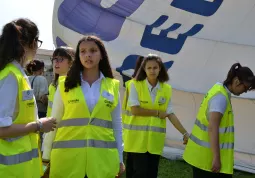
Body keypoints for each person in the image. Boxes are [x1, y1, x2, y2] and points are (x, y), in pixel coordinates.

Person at [43, 35, 125, 178]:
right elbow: (53, 122)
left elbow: (117, 125)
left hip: (102, 160)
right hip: (67, 160)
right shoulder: (65, 84)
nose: (88, 55)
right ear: (78, 56)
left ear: (101, 56)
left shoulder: (112, 86)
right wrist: (46, 156)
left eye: (93, 51)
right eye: (83, 51)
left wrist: (120, 158)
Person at [0, 18, 56, 177]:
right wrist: (38, 125)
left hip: (22, 169)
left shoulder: (17, 74)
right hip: (10, 171)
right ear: (32, 43)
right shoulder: (10, 76)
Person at [183, 63, 255, 178]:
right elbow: (212, 128)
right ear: (236, 81)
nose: (245, 92)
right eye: (245, 88)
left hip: (202, 157)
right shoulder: (221, 98)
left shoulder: (218, 89)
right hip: (207, 160)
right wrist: (216, 157)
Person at [124, 54, 189, 178]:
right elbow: (135, 110)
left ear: (160, 69)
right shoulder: (134, 85)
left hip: (155, 141)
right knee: (139, 173)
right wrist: (157, 113)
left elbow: (170, 114)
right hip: (136, 140)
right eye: (149, 68)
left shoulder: (166, 89)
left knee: (151, 174)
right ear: (144, 69)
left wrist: (184, 133)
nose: (152, 71)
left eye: (155, 67)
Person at [122, 55, 144, 177]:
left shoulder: (131, 83)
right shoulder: (137, 85)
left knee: (132, 166)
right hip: (138, 131)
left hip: (130, 130)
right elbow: (136, 110)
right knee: (138, 169)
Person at [46, 46, 75, 117]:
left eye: (60, 59)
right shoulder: (52, 86)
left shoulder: (76, 86)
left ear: (71, 62)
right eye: (54, 59)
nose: (55, 62)